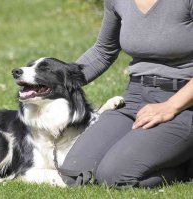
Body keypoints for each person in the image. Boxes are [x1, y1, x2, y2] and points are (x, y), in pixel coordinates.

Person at [58, 0, 193, 188]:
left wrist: (171, 106)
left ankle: (184, 165)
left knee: (115, 176)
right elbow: (104, 50)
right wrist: (58, 82)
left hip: (183, 103)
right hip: (135, 98)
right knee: (75, 173)